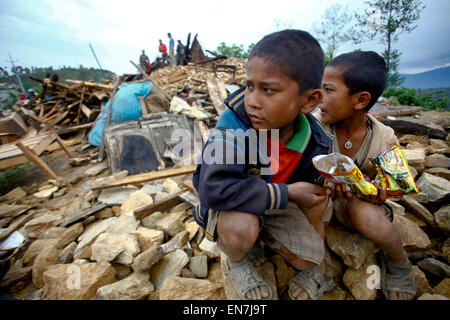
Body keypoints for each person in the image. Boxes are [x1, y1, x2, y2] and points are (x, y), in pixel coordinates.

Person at [192, 29, 336, 300]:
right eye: (249, 86)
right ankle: (237, 260)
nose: (253, 101)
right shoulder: (233, 125)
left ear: (309, 100)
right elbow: (213, 189)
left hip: (272, 201)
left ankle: (276, 244)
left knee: (308, 256)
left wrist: (329, 187)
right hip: (233, 204)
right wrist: (289, 193)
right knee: (240, 231)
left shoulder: (316, 141)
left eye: (268, 90)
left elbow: (315, 191)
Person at [313, 50, 416, 300]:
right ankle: (312, 268)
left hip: (355, 205)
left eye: (328, 90)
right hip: (318, 203)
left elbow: (394, 184)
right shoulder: (313, 126)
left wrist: (379, 192)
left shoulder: (383, 137)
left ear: (360, 101)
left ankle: (399, 262)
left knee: (368, 216)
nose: (319, 97)